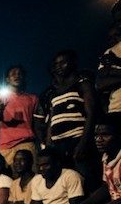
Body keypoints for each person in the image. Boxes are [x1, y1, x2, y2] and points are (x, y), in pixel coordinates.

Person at [39, 50, 98, 188]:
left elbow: (91, 113)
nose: (59, 66)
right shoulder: (53, 92)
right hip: (58, 144)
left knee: (85, 178)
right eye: (56, 64)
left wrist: (83, 142)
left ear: (73, 63)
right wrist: (49, 145)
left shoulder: (82, 84)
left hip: (77, 139)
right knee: (67, 181)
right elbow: (52, 120)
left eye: (63, 62)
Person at [0, 65, 40, 167]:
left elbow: (37, 123)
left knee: (30, 178)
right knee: (9, 180)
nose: (17, 76)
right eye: (13, 74)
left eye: (19, 74)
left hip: (26, 143)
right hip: (5, 147)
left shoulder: (32, 98)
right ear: (7, 79)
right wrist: (0, 109)